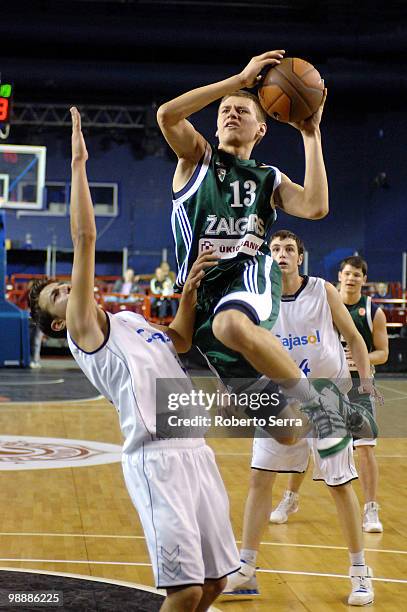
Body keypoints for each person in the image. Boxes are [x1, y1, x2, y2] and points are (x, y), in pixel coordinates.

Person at [28, 108, 240, 612]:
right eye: (59, 295)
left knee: (215, 585)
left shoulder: (129, 320)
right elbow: (85, 239)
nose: (69, 290)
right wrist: (78, 165)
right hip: (157, 460)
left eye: (64, 287)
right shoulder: (85, 333)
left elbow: (181, 343)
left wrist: (188, 293)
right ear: (60, 323)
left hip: (196, 453)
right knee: (185, 589)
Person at [157, 50, 371, 455]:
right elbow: (167, 115)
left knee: (230, 326)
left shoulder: (267, 177)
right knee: (288, 432)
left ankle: (318, 400)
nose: (230, 112)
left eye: (241, 109)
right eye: (225, 110)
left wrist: (311, 135)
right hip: (201, 297)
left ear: (262, 127)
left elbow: (315, 206)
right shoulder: (196, 160)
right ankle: (327, 414)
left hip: (248, 272)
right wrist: (237, 80)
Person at [224, 231, 377, 606]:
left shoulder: (323, 291)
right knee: (260, 478)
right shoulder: (259, 301)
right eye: (274, 249)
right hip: (282, 398)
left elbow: (356, 339)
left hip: (327, 398)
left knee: (339, 484)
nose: (281, 255)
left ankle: (360, 574)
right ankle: (246, 570)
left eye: (289, 249)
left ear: (300, 257)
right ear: (267, 257)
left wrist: (364, 386)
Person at [339, 256, 389, 532]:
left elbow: (383, 353)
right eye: (347, 274)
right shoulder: (324, 305)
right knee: (308, 446)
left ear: (364, 280)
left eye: (356, 275)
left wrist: (361, 358)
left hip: (360, 384)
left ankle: (371, 509)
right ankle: (291, 498)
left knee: (365, 446)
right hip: (327, 382)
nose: (351, 278)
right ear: (340, 275)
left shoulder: (373, 312)